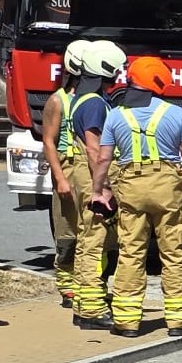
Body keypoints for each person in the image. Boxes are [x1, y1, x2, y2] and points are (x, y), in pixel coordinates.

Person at [89, 55, 182, 338]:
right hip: (166, 186)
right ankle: (180, 321)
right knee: (174, 253)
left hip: (131, 185)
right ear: (159, 81)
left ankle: (126, 321)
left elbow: (103, 159)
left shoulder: (116, 114)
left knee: (131, 252)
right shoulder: (176, 113)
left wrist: (97, 191)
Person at [67, 41, 127, 328]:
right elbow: (94, 149)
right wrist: (101, 188)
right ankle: (92, 310)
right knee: (96, 242)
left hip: (84, 174)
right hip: (92, 176)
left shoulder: (83, 98)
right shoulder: (94, 103)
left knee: (87, 240)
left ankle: (83, 304)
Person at [40, 38, 95, 307]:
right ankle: (67, 284)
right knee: (67, 232)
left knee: (92, 230)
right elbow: (49, 141)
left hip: (90, 167)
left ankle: (89, 282)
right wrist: (60, 178)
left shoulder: (95, 101)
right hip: (68, 167)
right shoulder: (57, 100)